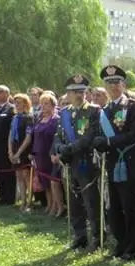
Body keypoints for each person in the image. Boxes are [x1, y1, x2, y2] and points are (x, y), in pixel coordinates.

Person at [93, 65, 135, 260]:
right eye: (109, 82)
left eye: (116, 82)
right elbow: (99, 134)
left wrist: (109, 141)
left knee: (129, 207)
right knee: (113, 208)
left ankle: (132, 247)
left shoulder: (133, 106)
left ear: (123, 84)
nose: (113, 86)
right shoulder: (104, 110)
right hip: (111, 163)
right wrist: (99, 144)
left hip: (128, 162)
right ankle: (120, 243)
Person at [54, 74, 102, 252]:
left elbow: (89, 137)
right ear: (68, 94)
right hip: (69, 163)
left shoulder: (93, 111)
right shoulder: (64, 113)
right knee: (73, 202)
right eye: (75, 92)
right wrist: (59, 149)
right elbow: (58, 136)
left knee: (91, 202)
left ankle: (97, 236)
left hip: (86, 162)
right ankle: (79, 236)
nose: (78, 94)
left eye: (81, 91)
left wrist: (70, 149)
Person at [32, 93, 60, 216]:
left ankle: (56, 205)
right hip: (39, 154)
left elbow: (56, 138)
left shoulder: (56, 120)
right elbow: (34, 136)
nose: (43, 106)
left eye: (46, 104)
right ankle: (49, 204)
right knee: (44, 182)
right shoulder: (39, 119)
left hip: (49, 154)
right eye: (42, 104)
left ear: (53, 105)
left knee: (52, 180)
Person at [8, 93, 34, 211]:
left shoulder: (29, 117)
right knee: (18, 175)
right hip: (14, 148)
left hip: (24, 149)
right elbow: (10, 135)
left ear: (25, 103)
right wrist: (10, 150)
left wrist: (19, 152)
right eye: (15, 102)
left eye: (19, 102)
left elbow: (28, 137)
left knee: (26, 175)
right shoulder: (14, 118)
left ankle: (29, 202)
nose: (16, 105)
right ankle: (22, 201)